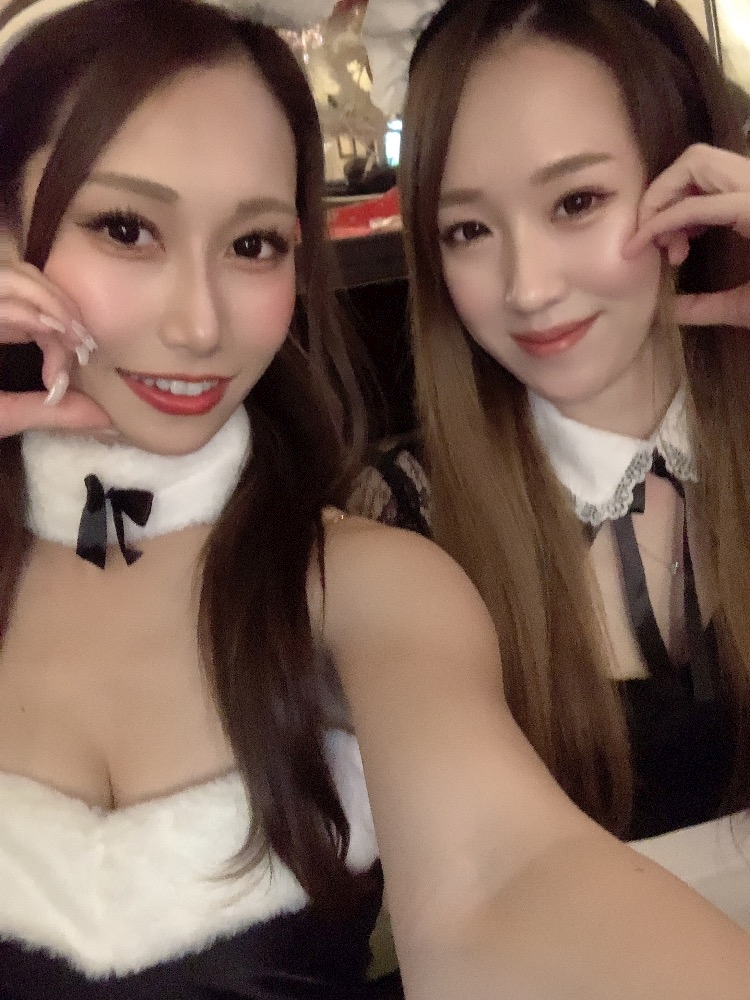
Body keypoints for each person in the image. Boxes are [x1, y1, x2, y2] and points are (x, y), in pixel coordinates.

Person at [4, 2, 750, 999]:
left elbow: (498, 877)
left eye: (254, 243)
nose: (199, 324)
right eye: (126, 228)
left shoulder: (352, 573)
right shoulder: (409, 506)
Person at [353, 0, 750, 926]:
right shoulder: (402, 525)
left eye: (576, 202)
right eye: (467, 230)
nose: (528, 288)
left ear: (690, 188)